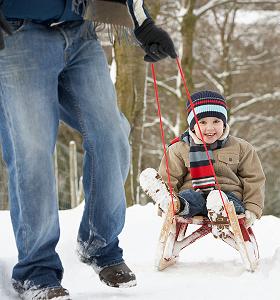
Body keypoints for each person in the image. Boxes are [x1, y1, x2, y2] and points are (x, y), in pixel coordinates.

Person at [0, 1, 176, 299]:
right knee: (32, 151)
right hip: (18, 34)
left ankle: (99, 243)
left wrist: (143, 24)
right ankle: (36, 271)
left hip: (80, 33)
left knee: (112, 135)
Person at [142, 90, 265, 229]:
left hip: (229, 199)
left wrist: (253, 208)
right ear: (192, 125)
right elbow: (170, 176)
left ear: (224, 123)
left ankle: (219, 209)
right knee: (188, 197)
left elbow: (254, 179)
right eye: (203, 122)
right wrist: (167, 202)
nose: (210, 128)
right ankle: (172, 203)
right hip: (194, 199)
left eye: (216, 121)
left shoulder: (241, 147)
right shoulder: (179, 149)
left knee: (225, 200)